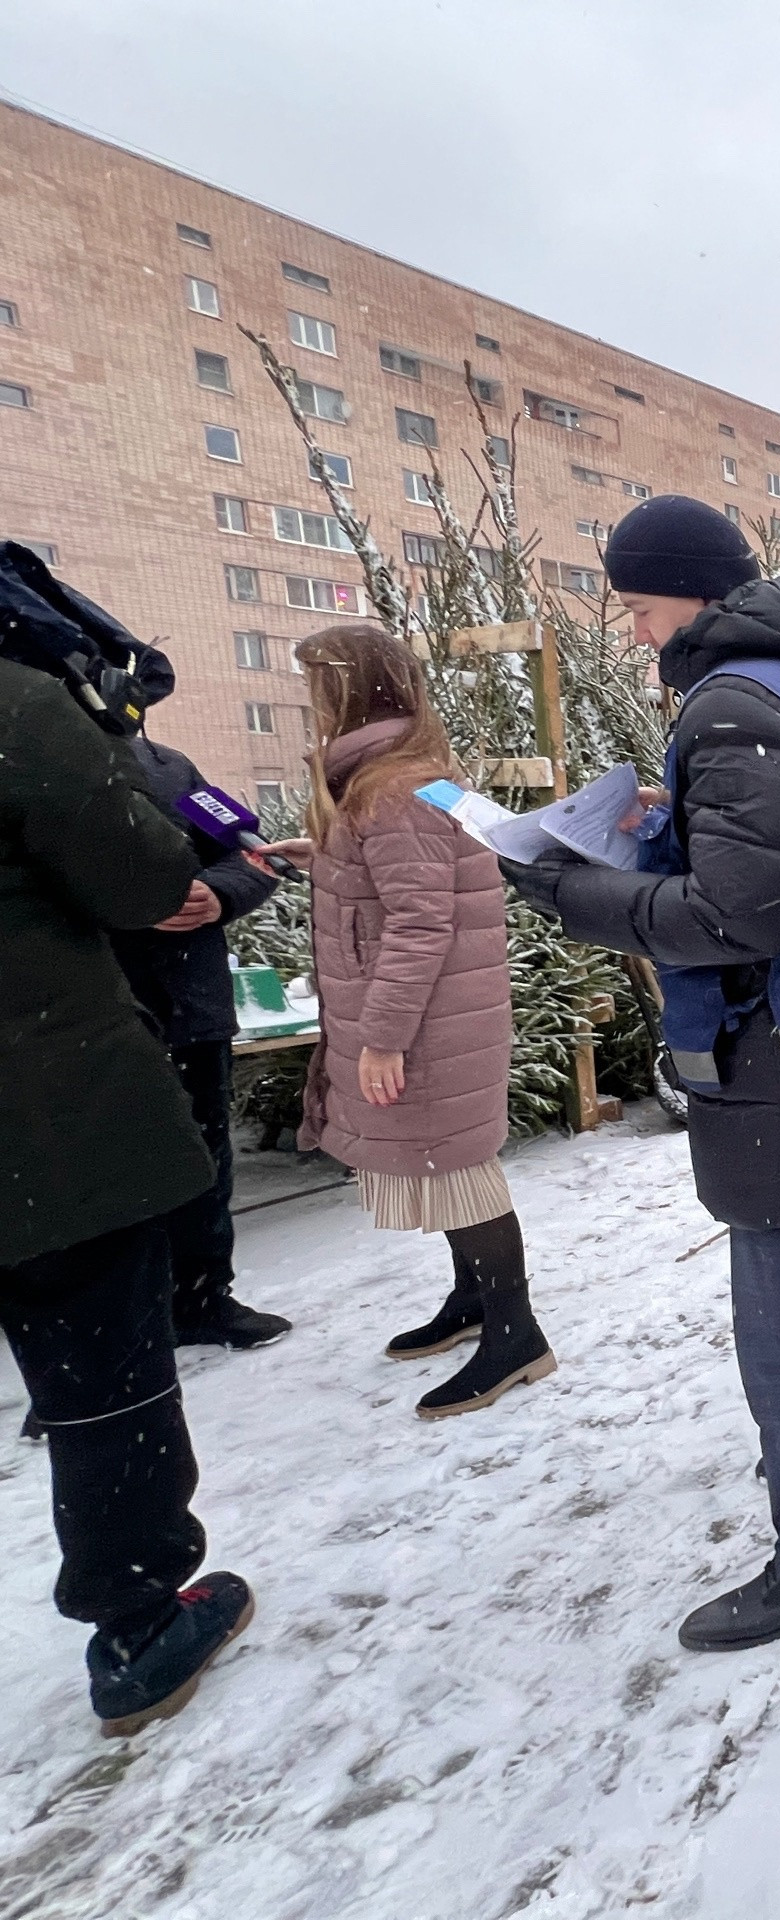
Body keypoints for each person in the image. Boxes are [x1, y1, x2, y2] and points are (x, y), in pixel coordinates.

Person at [499, 495, 780, 1653]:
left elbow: (739, 917)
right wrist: (668, 822)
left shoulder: (734, 704)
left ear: (688, 590)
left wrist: (566, 887)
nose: (634, 632)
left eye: (637, 607)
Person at [1, 651, 256, 1736]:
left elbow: (230, 860)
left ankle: (209, 1292)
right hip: (46, 1115)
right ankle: (139, 1617)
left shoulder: (178, 762)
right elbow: (143, 872)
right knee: (107, 1374)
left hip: (155, 1032)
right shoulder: (25, 711)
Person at [262, 623, 553, 1419]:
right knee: (446, 1165)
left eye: (317, 683)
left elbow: (420, 923)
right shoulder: (397, 779)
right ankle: (474, 1303)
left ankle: (515, 1335)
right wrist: (319, 854)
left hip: (425, 1024)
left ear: (349, 690)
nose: (310, 699)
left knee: (460, 1170)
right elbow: (405, 884)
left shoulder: (391, 789)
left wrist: (383, 1038)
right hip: (435, 1014)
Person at [108, 647, 292, 1349]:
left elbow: (256, 854)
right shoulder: (39, 782)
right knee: (107, 1177)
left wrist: (218, 895)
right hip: (90, 1019)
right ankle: (109, 1337)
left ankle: (204, 1299)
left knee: (203, 1160)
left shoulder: (174, 772)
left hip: (190, 1008)